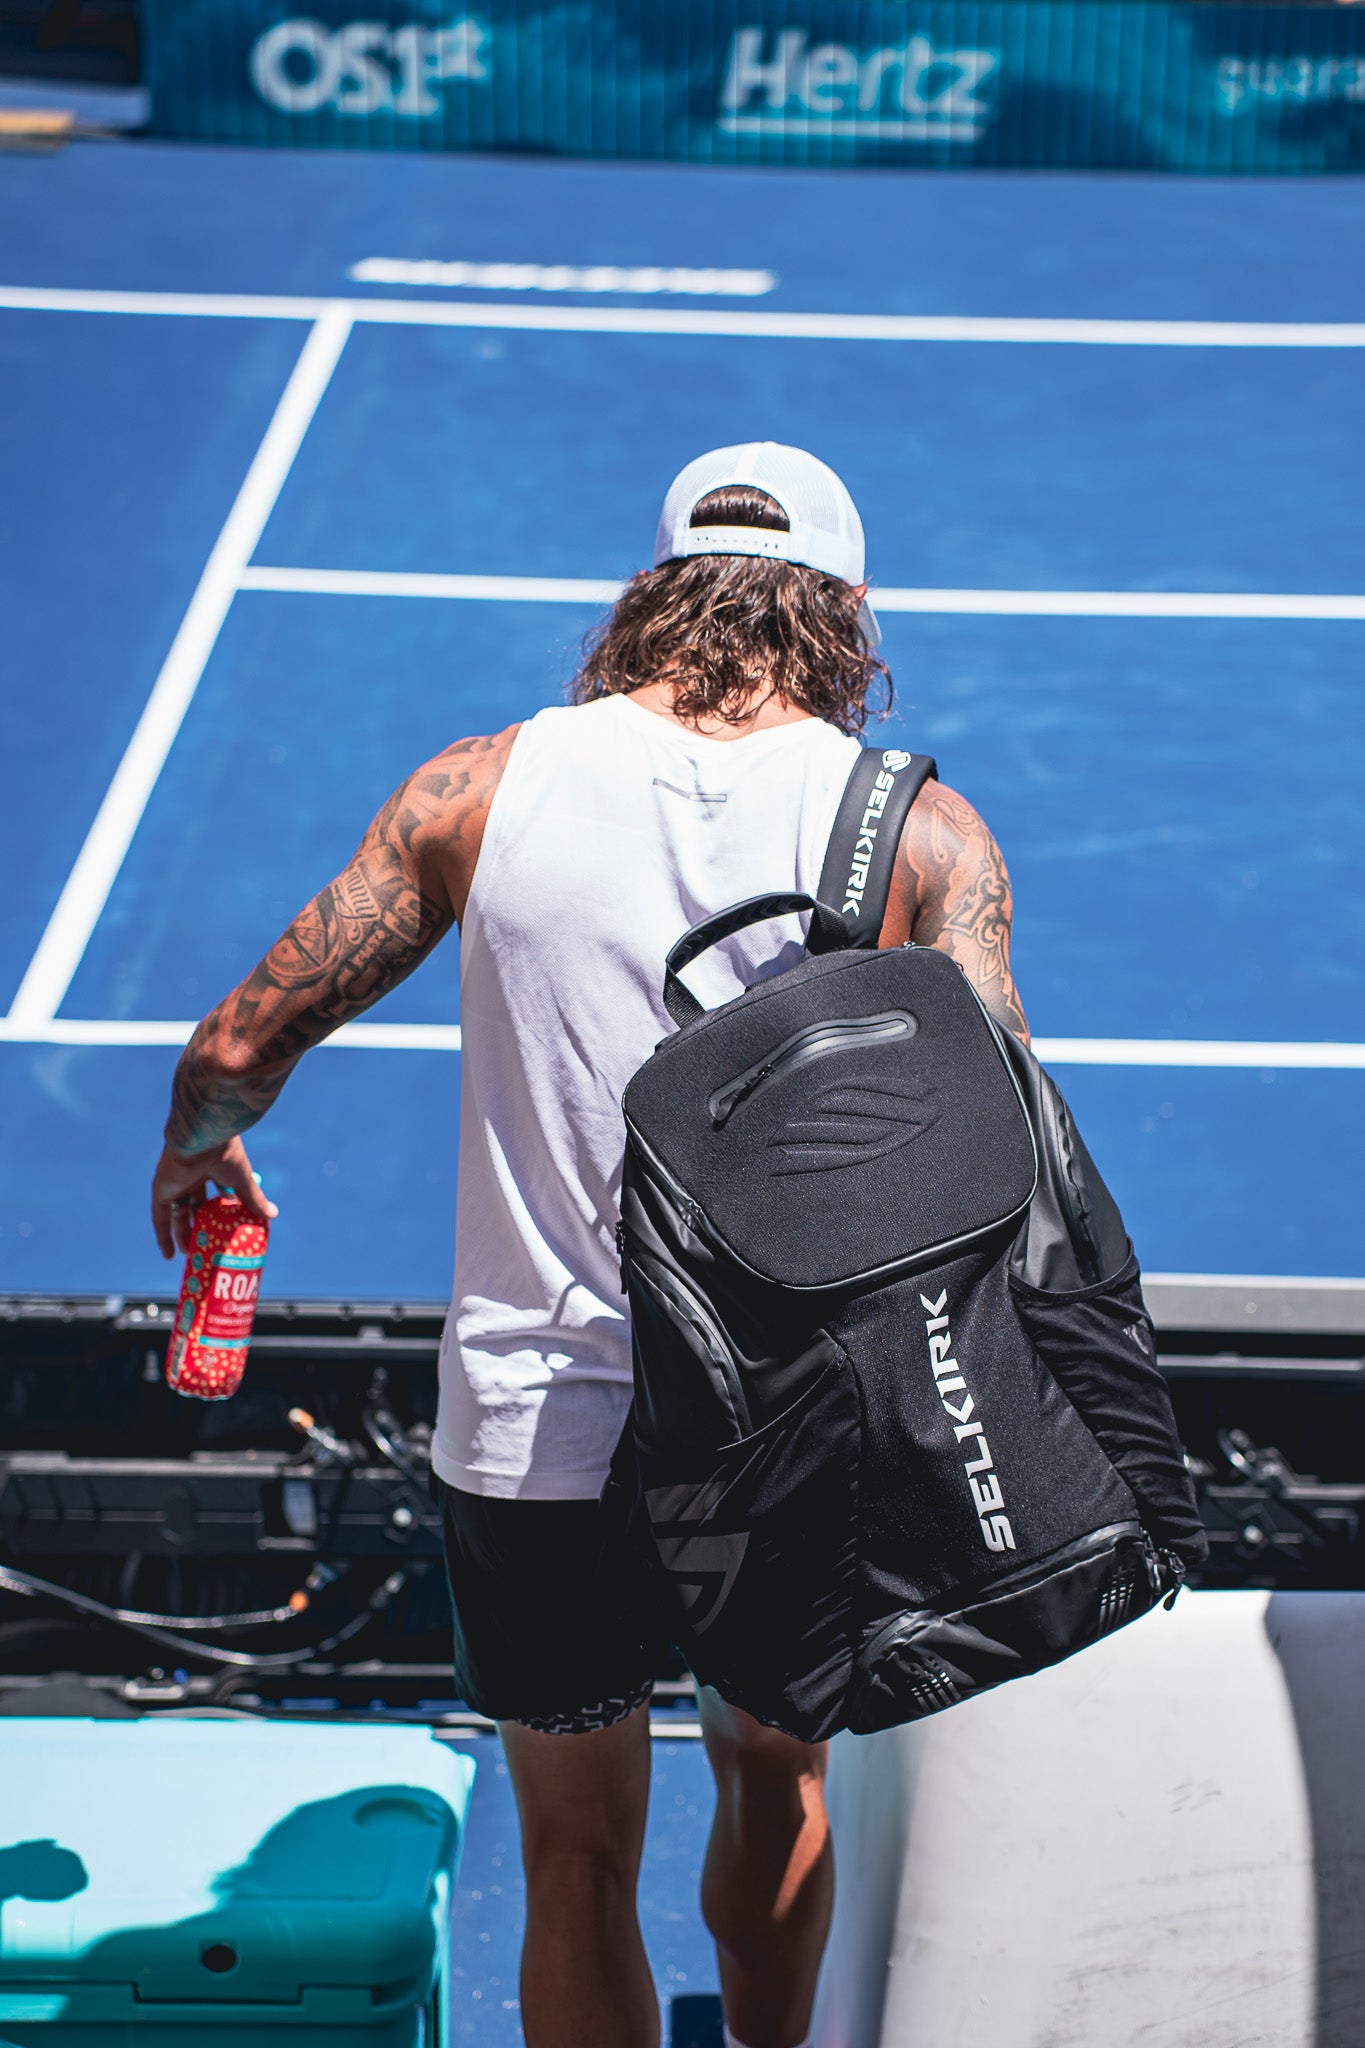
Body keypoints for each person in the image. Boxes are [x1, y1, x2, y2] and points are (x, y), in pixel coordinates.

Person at [151, 442, 1028, 2048]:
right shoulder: (919, 834)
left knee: (568, 1857)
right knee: (776, 1785)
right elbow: (1004, 1154)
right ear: (840, 608)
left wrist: (194, 1160)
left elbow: (231, 1052)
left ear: (650, 590)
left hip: (531, 1421)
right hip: (785, 1429)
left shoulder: (473, 791)